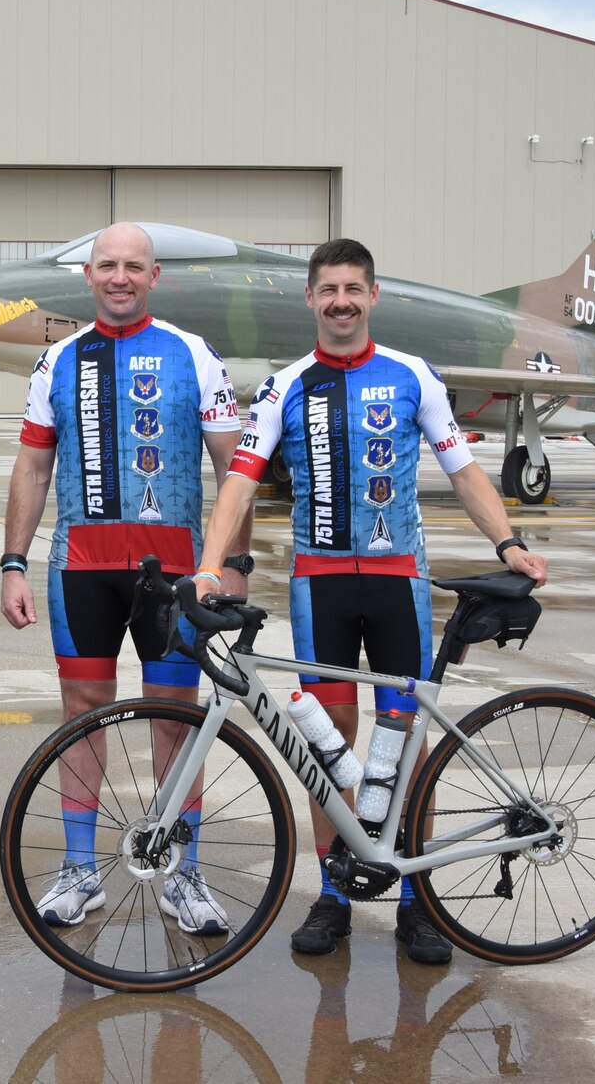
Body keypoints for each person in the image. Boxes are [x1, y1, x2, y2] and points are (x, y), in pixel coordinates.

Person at [192, 237, 549, 963]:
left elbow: (465, 469)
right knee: (327, 744)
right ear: (311, 300)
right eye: (329, 290)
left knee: (406, 742)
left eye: (354, 288)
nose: (342, 301)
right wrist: (207, 566)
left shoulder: (413, 374)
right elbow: (238, 481)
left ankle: (420, 901)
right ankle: (334, 892)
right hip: (320, 582)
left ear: (373, 295)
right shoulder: (287, 384)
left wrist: (509, 542)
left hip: (397, 582)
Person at [0, 222, 253, 934]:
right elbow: (32, 466)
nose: (119, 276)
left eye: (132, 266)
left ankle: (186, 873)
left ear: (154, 275)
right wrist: (13, 561)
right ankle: (80, 871)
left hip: (175, 575)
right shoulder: (56, 359)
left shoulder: (191, 353)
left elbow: (236, 468)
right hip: (80, 566)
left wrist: (229, 565)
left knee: (177, 720)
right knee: (83, 713)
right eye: (107, 265)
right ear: (88, 275)